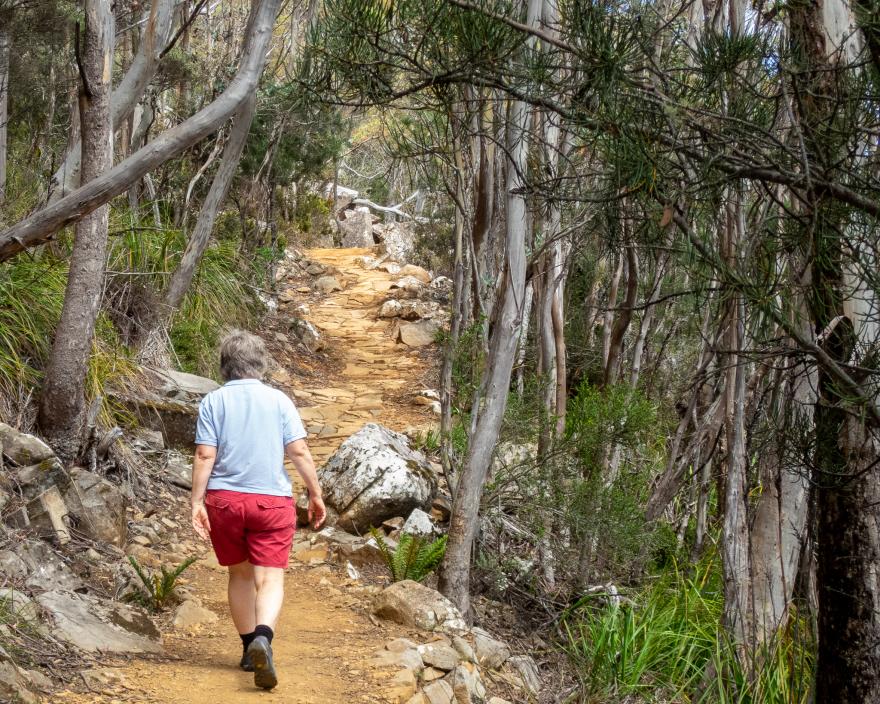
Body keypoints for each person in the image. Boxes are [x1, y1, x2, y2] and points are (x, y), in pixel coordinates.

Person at [190, 329, 326, 690]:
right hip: (271, 503)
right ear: (260, 364)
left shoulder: (213, 402)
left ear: (225, 366)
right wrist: (315, 493)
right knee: (270, 578)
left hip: (226, 502)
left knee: (240, 576)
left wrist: (196, 501)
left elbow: (206, 454)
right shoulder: (279, 401)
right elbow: (299, 451)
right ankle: (265, 636)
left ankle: (250, 646)